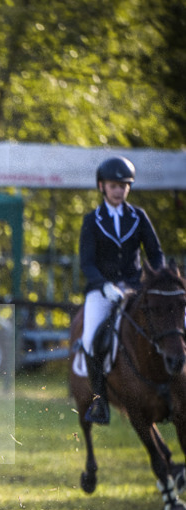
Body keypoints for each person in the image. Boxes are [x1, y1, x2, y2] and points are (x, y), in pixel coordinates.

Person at [79, 155, 165, 424]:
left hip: (137, 288)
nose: (119, 190)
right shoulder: (92, 220)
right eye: (113, 185)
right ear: (102, 187)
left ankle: (173, 390)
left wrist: (156, 280)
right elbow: (87, 263)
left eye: (123, 186)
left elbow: (156, 254)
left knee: (171, 326)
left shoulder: (138, 217)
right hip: (102, 290)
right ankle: (100, 402)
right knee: (91, 338)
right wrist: (104, 286)